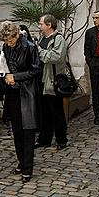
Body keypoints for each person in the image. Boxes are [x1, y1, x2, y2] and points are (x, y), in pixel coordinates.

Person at [0, 20, 41, 182]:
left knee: (28, 131)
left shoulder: (29, 47)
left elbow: (36, 70)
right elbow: (5, 65)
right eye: (6, 41)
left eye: (10, 40)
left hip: (27, 91)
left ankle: (28, 168)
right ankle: (22, 161)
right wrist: (5, 76)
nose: (8, 44)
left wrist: (15, 77)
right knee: (16, 130)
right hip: (13, 93)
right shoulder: (6, 47)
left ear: (17, 35)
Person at [35, 14, 68, 150]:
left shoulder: (58, 39)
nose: (39, 26)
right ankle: (44, 139)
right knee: (44, 112)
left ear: (49, 25)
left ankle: (61, 140)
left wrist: (38, 50)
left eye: (41, 24)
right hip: (41, 80)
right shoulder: (42, 38)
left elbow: (55, 56)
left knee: (57, 111)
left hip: (53, 81)